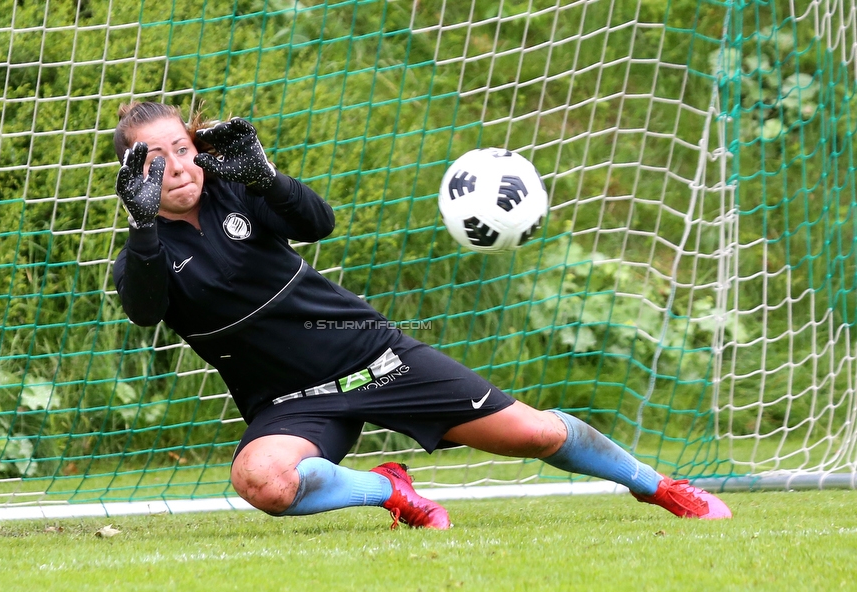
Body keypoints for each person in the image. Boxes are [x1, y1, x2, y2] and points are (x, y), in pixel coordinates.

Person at [112, 101, 732, 529]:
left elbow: (316, 223)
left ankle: (658, 485)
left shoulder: (235, 190)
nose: (178, 166)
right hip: (290, 406)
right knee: (264, 482)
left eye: (184, 149)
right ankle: (389, 489)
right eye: (156, 159)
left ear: (200, 150)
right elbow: (144, 310)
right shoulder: (143, 253)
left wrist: (268, 178)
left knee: (537, 435)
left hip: (372, 357)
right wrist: (143, 227)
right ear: (134, 174)